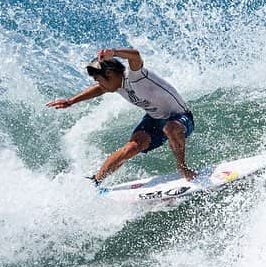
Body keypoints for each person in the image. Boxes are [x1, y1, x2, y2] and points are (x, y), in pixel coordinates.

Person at [47, 48, 197, 185]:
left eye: (99, 80)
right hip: (155, 118)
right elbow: (99, 90)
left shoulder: (135, 77)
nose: (100, 85)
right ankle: (96, 181)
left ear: (110, 74)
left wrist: (114, 53)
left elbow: (136, 56)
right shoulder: (116, 84)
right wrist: (71, 101)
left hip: (180, 117)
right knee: (133, 146)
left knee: (170, 127)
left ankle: (183, 168)